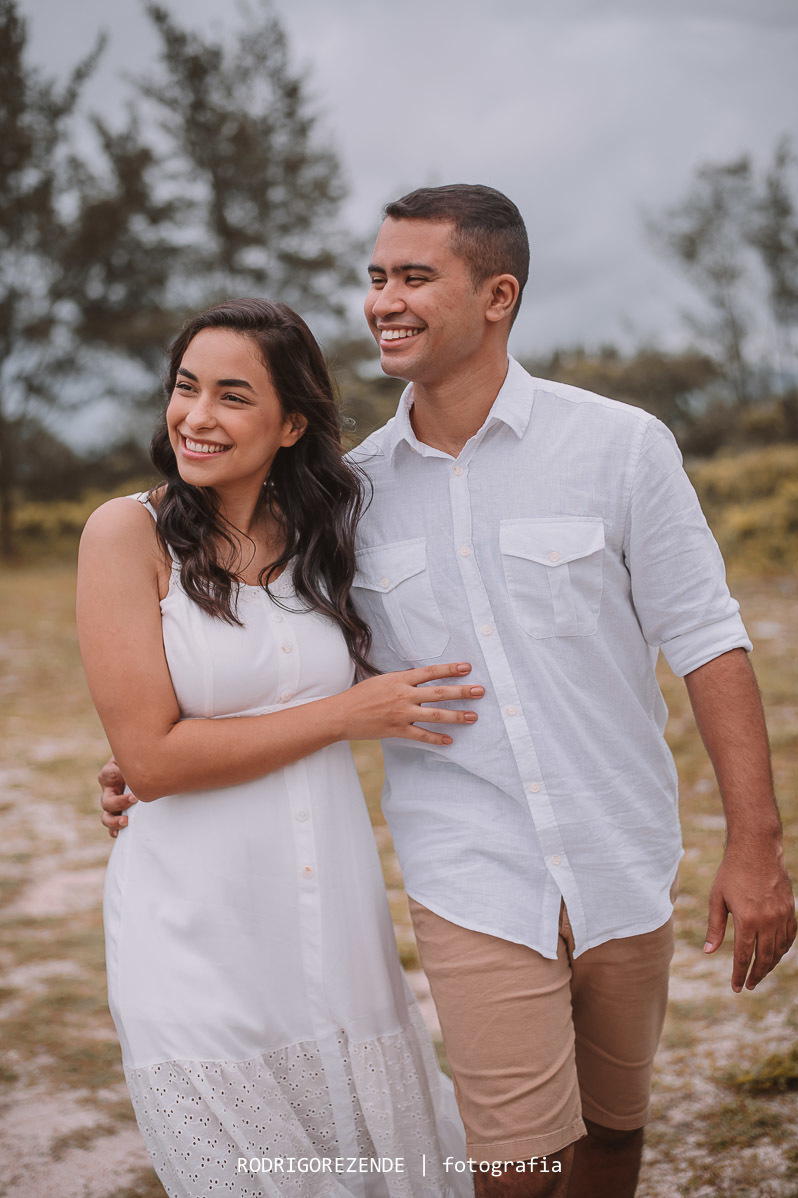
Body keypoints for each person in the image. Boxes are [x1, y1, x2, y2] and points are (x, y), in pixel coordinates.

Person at [101, 187, 797, 1198]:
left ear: (497, 295)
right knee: (516, 1167)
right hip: (469, 871)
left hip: (622, 850)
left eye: (414, 277)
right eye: (377, 276)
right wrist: (145, 752)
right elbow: (287, 650)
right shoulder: (348, 497)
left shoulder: (621, 446)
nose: (384, 300)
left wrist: (756, 845)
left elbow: (706, 638)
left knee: (614, 1128)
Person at [78, 297, 477, 1198]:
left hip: (332, 919)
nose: (197, 416)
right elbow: (152, 763)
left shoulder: (327, 537)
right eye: (186, 387)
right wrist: (342, 715)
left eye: (233, 396)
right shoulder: (126, 535)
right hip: (191, 927)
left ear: (293, 424)